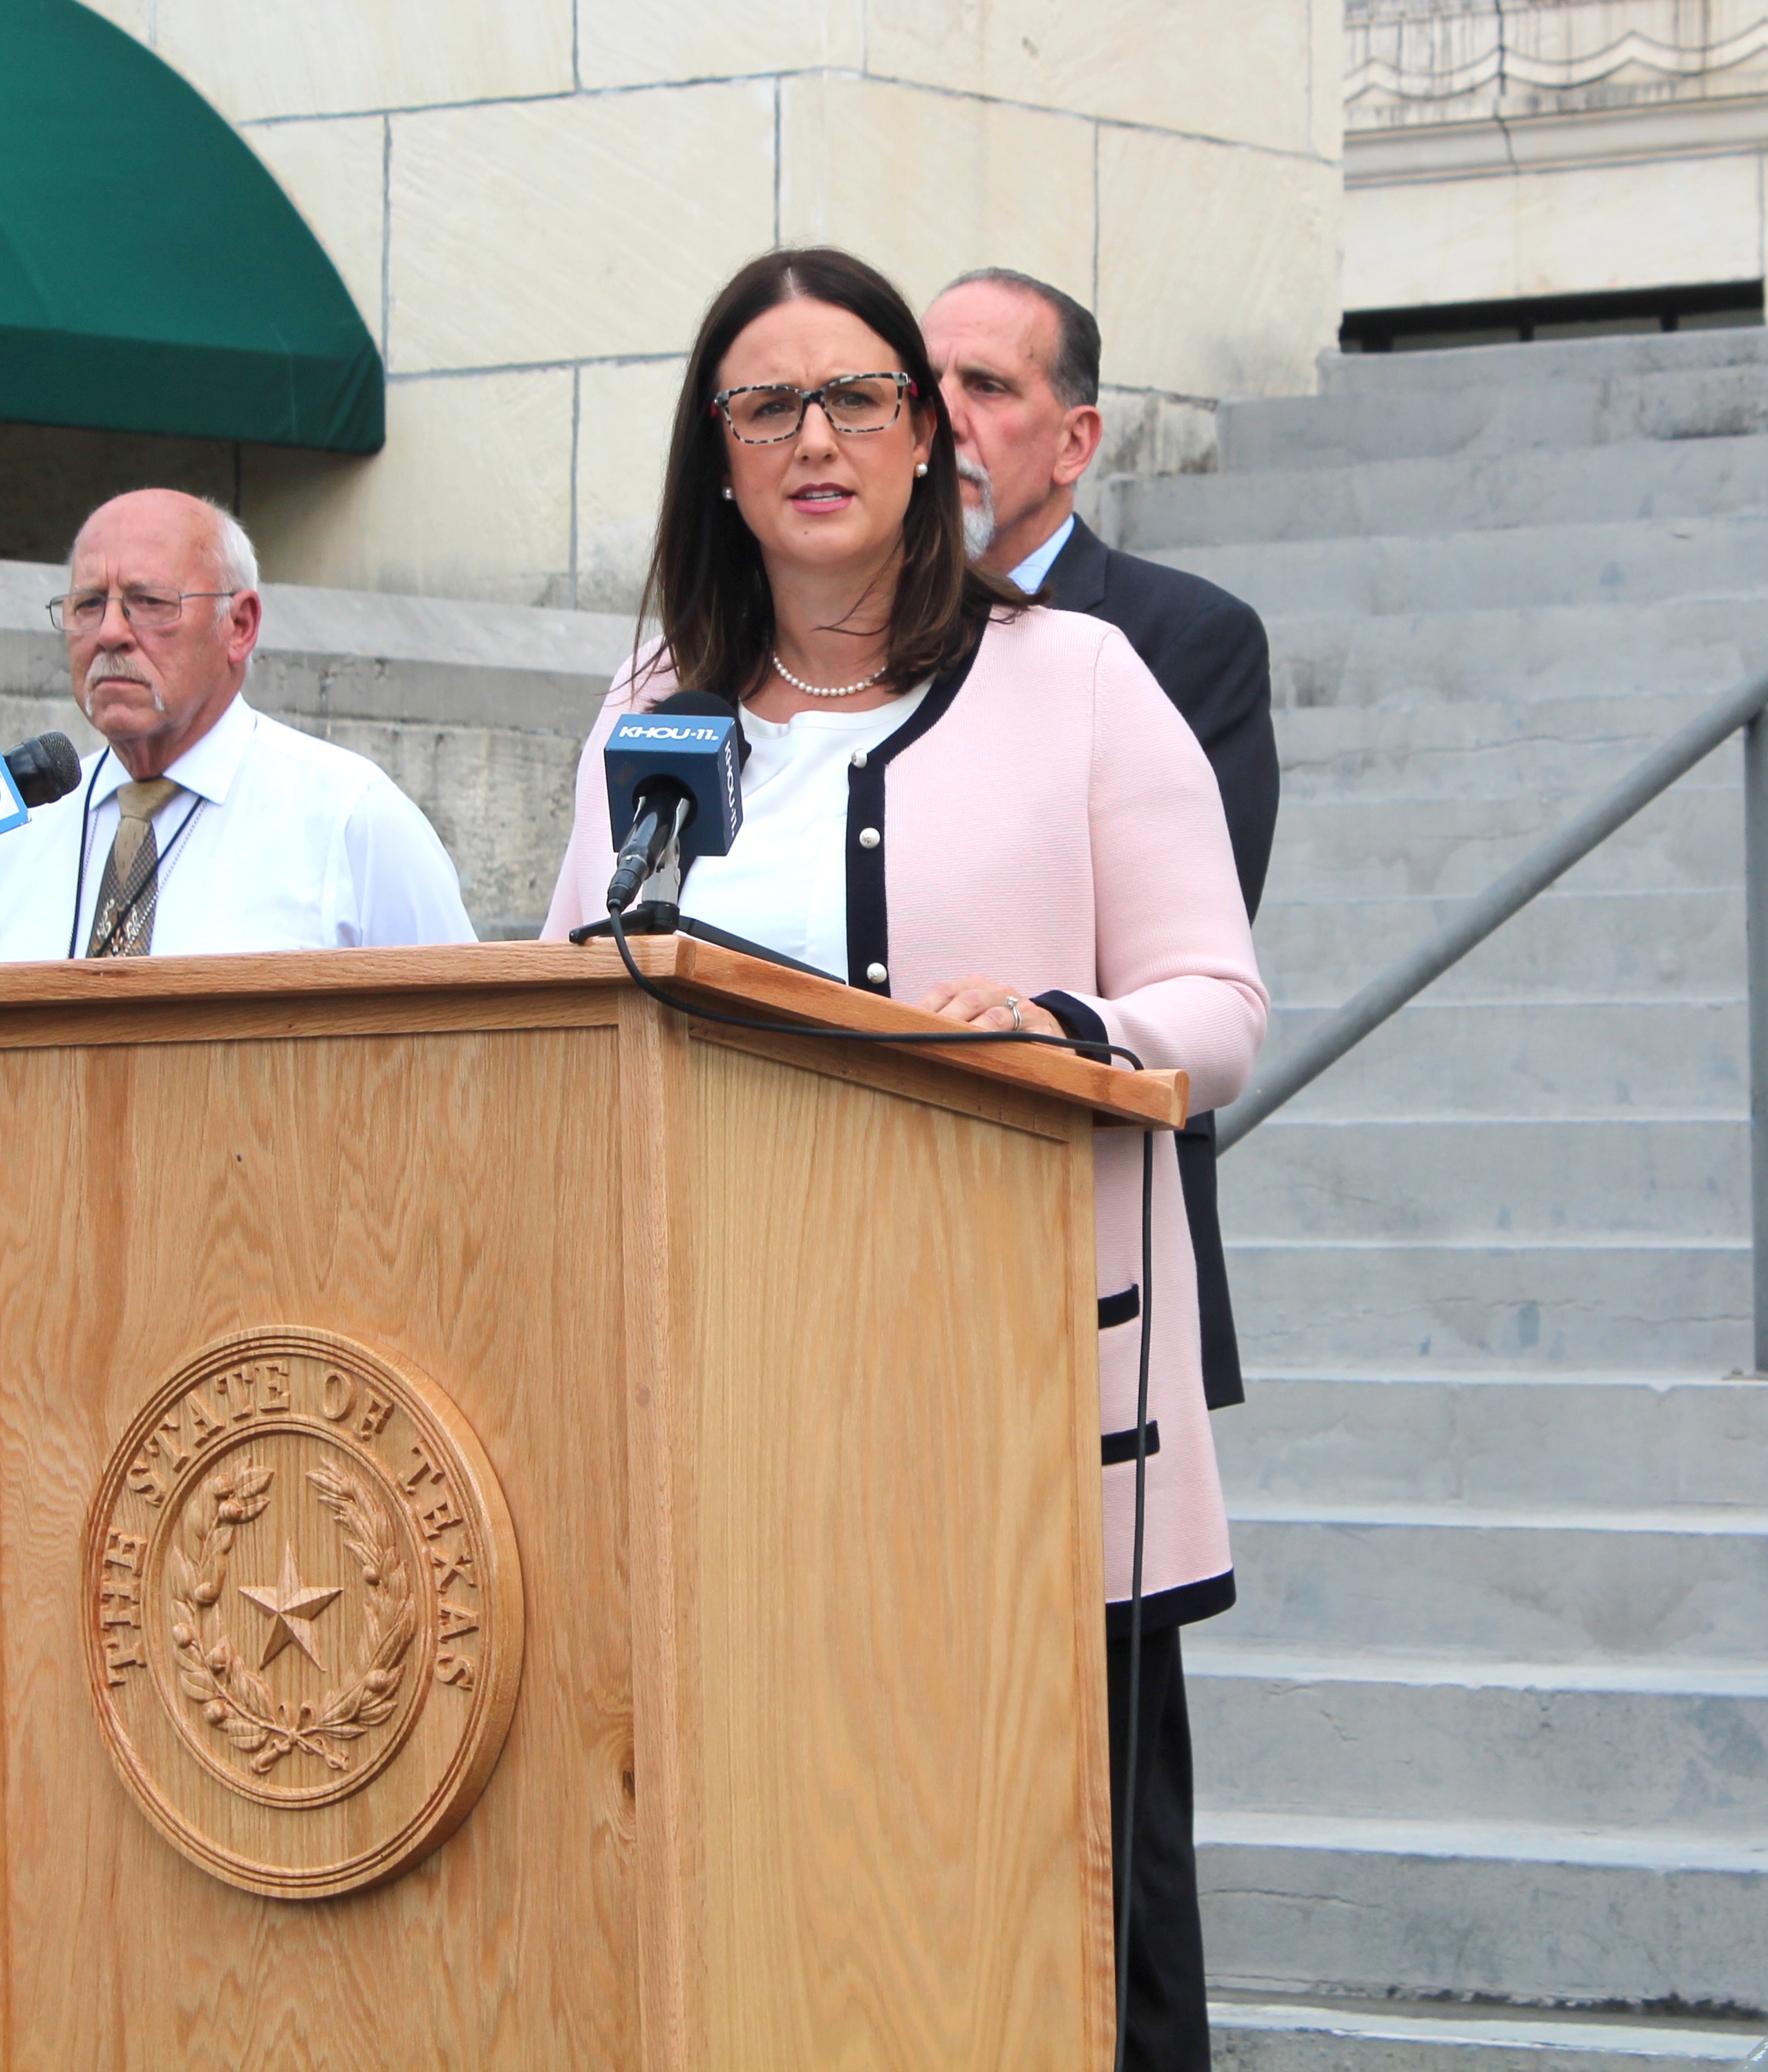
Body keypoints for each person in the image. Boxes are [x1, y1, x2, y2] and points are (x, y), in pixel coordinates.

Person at [538, 247, 1267, 2070]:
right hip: (727, 1406)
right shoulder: (644, 698)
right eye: (765, 402)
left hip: (1010, 1405)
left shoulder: (1078, 679)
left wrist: (1059, 1028)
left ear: (925, 435)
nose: (814, 436)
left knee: (1066, 1927)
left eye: (856, 395)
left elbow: (1216, 998)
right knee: (789, 1902)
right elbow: (561, 1002)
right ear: (715, 456)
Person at [923, 265, 1280, 1416]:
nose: (942, 418)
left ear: (1073, 440)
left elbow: (1189, 965)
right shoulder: (827, 644)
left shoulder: (1184, 641)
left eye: (983, 384)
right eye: (918, 384)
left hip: (1091, 1242)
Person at [0, 489, 473, 960]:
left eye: (150, 602)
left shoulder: (350, 818)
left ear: (239, 626)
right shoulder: (20, 836)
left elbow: (464, 1036)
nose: (110, 633)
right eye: (88, 604)